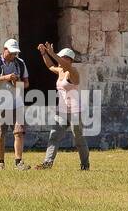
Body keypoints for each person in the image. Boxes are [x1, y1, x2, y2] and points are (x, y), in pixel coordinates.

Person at [37, 42, 90, 170]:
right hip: (61, 111)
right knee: (54, 136)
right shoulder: (60, 70)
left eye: (61, 57)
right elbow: (50, 66)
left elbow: (64, 65)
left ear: (69, 60)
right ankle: (47, 163)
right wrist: (44, 53)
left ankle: (85, 165)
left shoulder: (73, 72)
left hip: (75, 112)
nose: (59, 60)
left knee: (79, 139)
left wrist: (52, 53)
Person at [0, 38, 30, 169]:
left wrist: (17, 82)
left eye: (15, 53)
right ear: (5, 50)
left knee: (19, 132)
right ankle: (1, 162)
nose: (13, 55)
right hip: (0, 104)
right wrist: (5, 77)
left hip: (17, 104)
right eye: (11, 52)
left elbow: (26, 84)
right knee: (0, 135)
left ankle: (18, 162)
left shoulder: (20, 63)